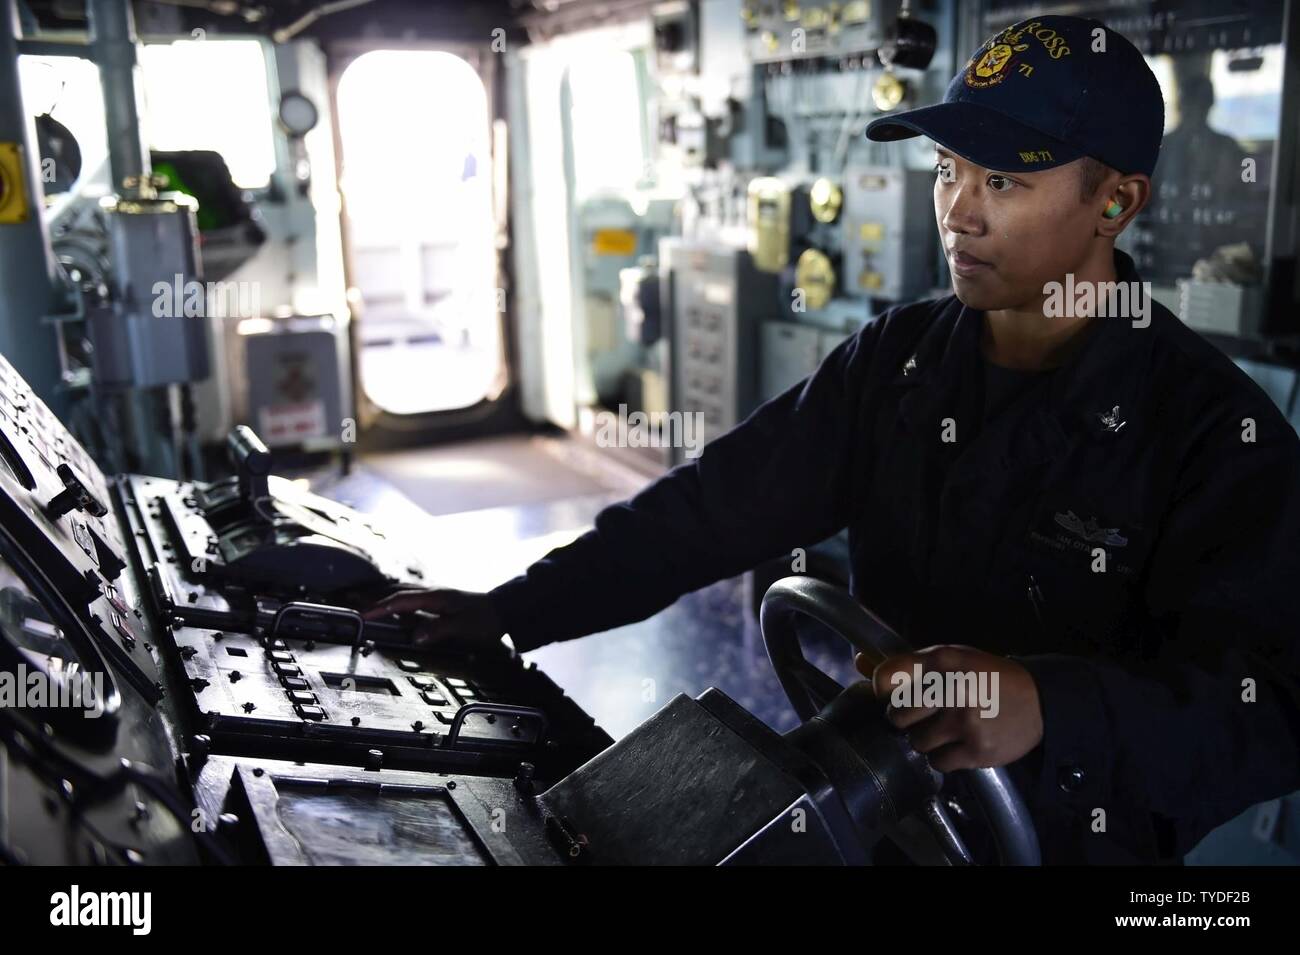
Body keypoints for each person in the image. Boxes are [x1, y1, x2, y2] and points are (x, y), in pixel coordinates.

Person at [364, 15, 1300, 865]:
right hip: (885, 811)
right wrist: (512, 610)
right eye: (948, 169)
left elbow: (1271, 706)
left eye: (1003, 179)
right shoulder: (899, 362)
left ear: (1115, 204)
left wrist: (1052, 706)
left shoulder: (1213, 432)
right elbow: (713, 508)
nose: (958, 211)